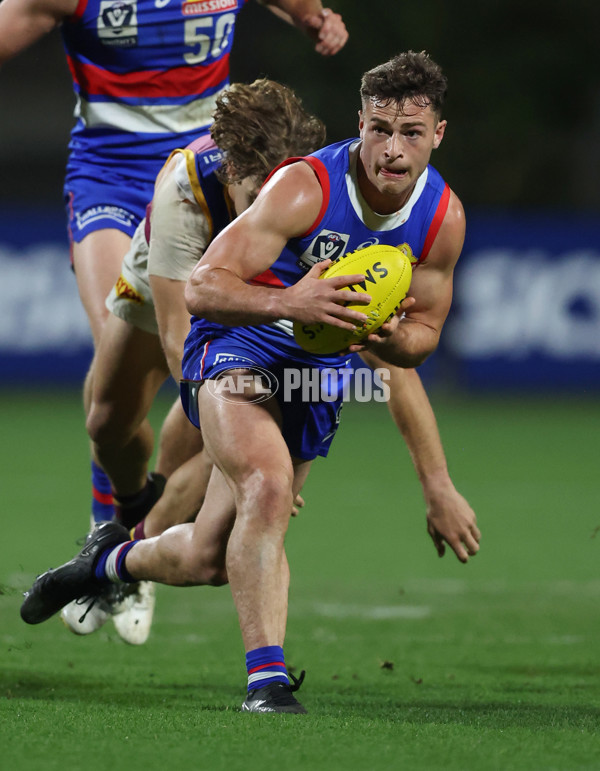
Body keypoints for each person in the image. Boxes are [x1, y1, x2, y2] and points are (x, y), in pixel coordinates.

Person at [21, 52, 481, 714]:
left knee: (210, 558)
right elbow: (206, 286)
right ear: (359, 124)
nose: (392, 147)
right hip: (237, 340)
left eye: (411, 132)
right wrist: (291, 304)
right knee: (263, 485)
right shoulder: (305, 187)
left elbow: (423, 337)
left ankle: (106, 564)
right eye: (379, 128)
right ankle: (266, 682)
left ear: (439, 134)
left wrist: (387, 337)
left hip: (316, 375)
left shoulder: (443, 220)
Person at [0, 0, 348, 524]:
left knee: (206, 358)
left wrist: (312, 15)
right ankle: (125, 505)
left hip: (219, 171)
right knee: (116, 363)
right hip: (111, 174)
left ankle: (133, 533)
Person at [61, 77, 327, 642]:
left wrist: (253, 451)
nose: (267, 209)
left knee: (223, 437)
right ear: (231, 173)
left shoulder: (312, 185)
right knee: (106, 421)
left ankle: (134, 556)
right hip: (170, 273)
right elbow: (182, 341)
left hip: (258, 302)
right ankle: (122, 514)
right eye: (255, 196)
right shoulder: (185, 185)